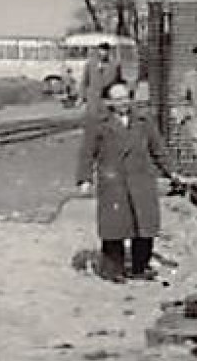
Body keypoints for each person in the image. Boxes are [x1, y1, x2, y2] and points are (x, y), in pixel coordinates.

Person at [76, 81, 177, 282]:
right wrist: (84, 178)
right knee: (115, 227)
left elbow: (158, 149)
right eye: (117, 99)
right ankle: (114, 269)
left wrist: (172, 172)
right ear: (109, 101)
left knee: (144, 225)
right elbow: (87, 153)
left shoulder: (143, 120)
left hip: (141, 179)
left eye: (125, 97)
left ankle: (140, 267)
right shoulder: (98, 123)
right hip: (114, 180)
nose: (123, 103)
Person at [81, 42, 122, 123]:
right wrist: (82, 97)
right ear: (98, 51)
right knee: (94, 122)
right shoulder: (90, 64)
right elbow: (84, 81)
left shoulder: (115, 65)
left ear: (109, 52)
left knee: (108, 122)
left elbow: (118, 82)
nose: (103, 53)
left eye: (105, 51)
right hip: (93, 99)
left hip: (108, 98)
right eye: (101, 51)